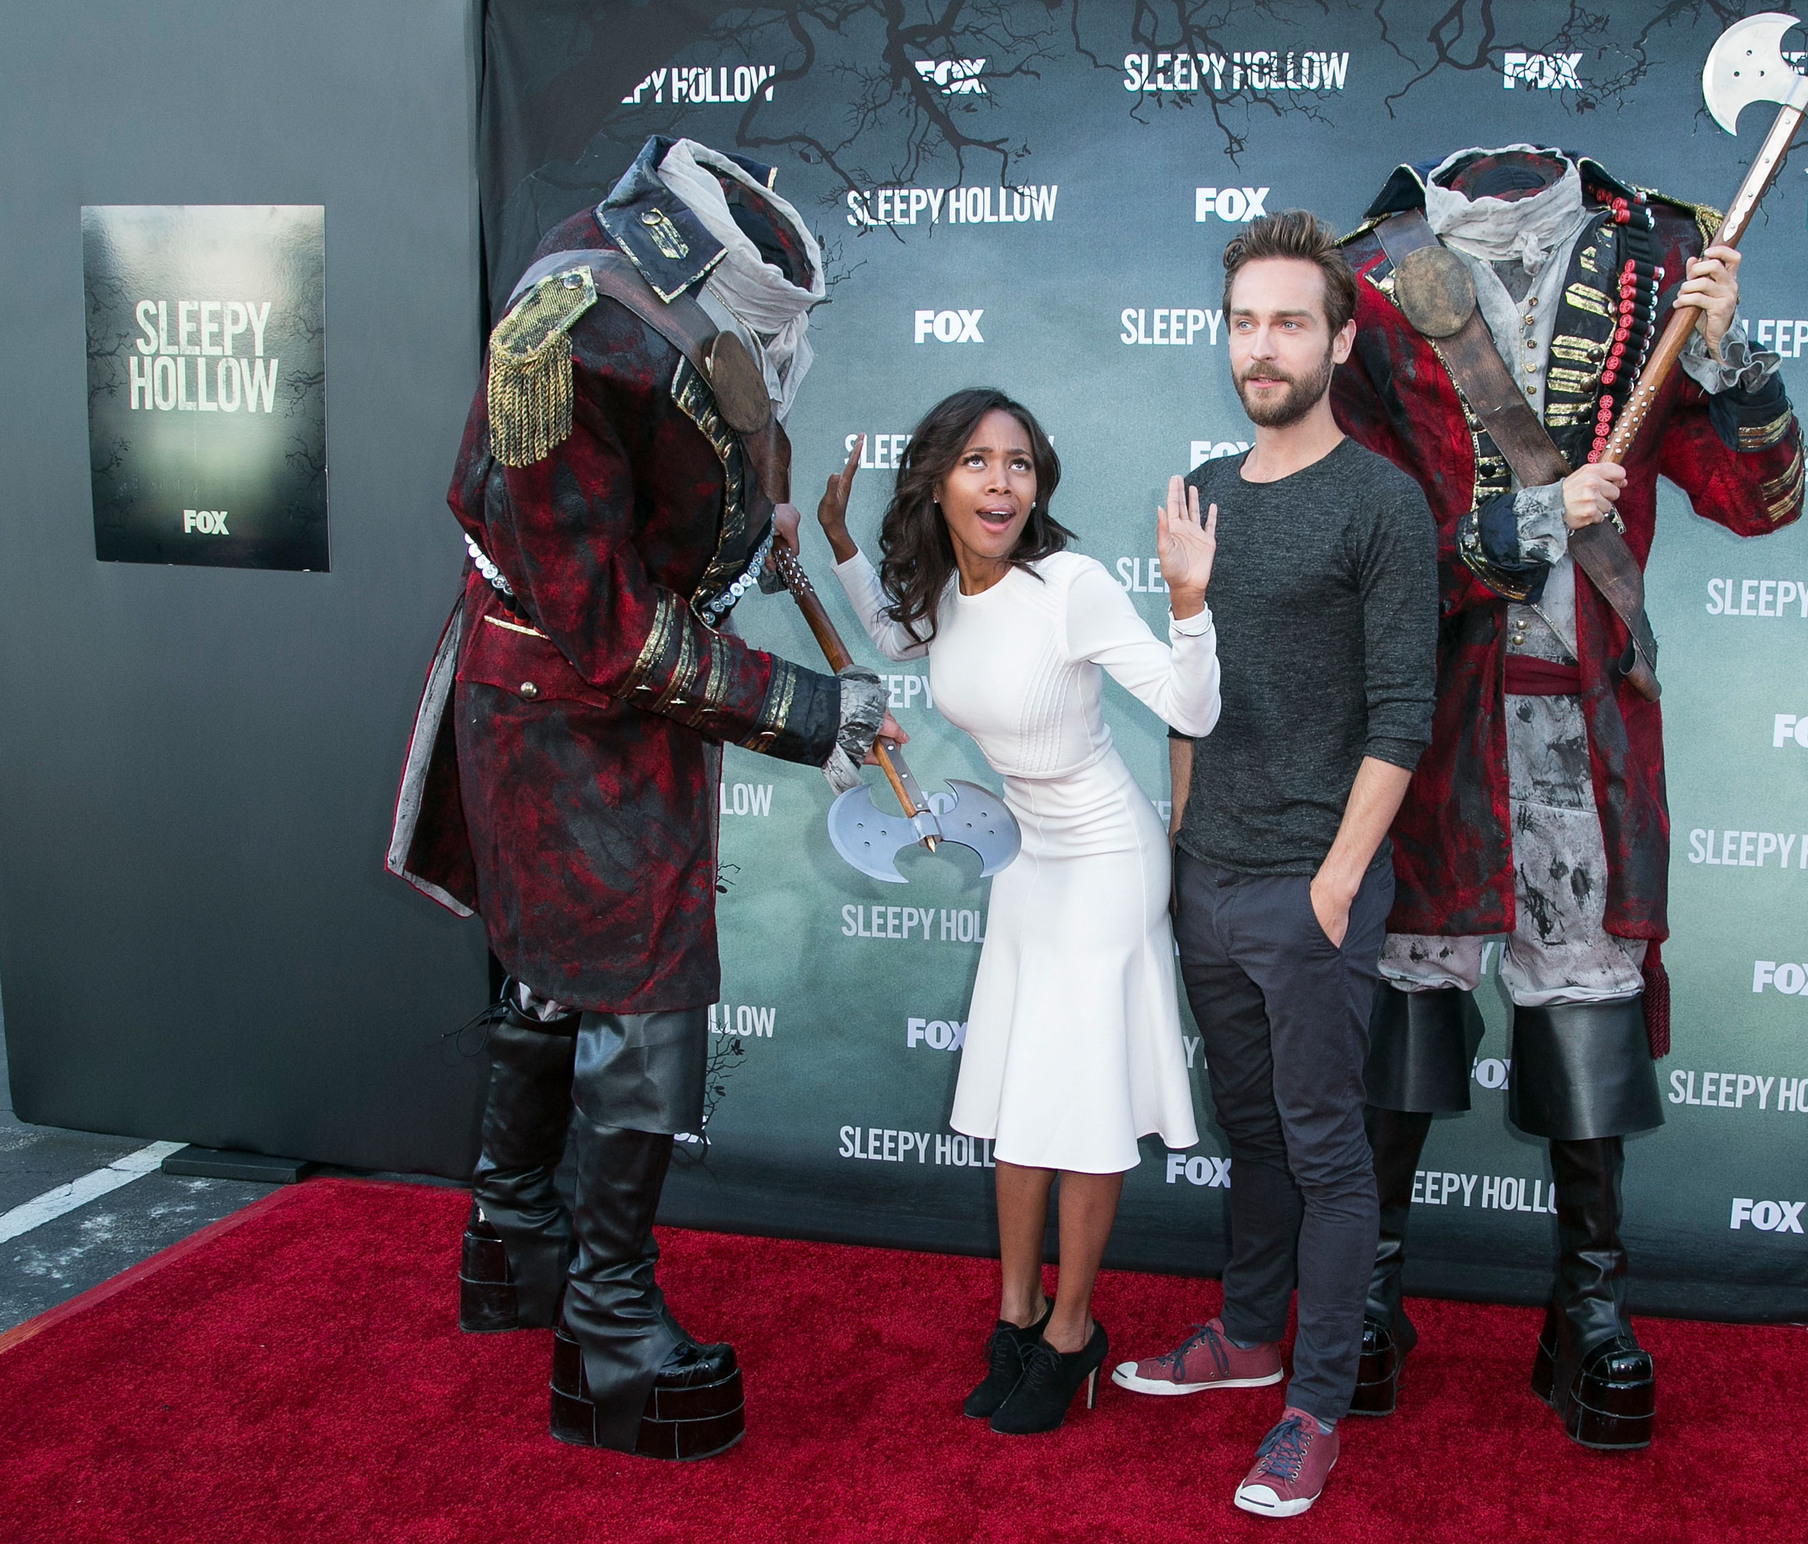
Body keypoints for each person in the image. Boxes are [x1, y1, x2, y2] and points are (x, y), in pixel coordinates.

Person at [385, 135, 902, 1461]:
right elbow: (605, 627)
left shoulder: (685, 287)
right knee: (640, 999)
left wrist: (760, 516)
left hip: (593, 704)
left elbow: (713, 432)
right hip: (568, 708)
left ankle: (514, 1244)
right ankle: (607, 1334)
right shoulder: (565, 333)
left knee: (565, 981)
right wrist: (807, 709)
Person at [1330, 145, 1806, 1451]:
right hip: (1427, 712)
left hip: (1583, 713)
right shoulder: (1369, 279)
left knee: (1586, 1012)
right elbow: (1343, 524)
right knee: (1407, 998)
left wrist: (1722, 350)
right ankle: (1368, 1293)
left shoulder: (1660, 260)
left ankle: (1588, 1308)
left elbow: (1762, 499)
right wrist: (1517, 530)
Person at [1110, 211, 1438, 1519]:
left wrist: (1336, 881)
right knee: (1252, 1135)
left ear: (1340, 338)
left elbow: (1401, 716)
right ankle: (1247, 1341)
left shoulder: (1382, 502)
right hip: (1212, 875)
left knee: (1322, 1147)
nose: (1263, 344)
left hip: (1314, 884)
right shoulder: (1200, 492)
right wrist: (1187, 852)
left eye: (1290, 320)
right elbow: (1191, 695)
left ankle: (1313, 1406)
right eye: (1245, 320)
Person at [816, 387, 1220, 1434]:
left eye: (1019, 464)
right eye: (977, 462)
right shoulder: (949, 589)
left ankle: (1074, 1329)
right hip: (1027, 857)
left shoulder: (1070, 583)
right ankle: (1017, 1311)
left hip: (1103, 854)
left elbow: (1190, 707)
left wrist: (1188, 601)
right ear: (937, 480)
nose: (1001, 483)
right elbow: (896, 640)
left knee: (1079, 1100)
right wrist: (825, 537)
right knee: (1015, 1095)